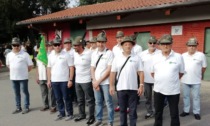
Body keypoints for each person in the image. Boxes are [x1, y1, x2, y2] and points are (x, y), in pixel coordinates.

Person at [151, 34, 185, 126]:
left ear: (171, 44)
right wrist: (162, 79)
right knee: (158, 113)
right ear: (160, 45)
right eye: (163, 44)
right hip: (158, 90)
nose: (165, 46)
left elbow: (181, 72)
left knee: (174, 114)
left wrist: (171, 79)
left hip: (173, 90)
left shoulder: (178, 56)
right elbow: (152, 72)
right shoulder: (155, 57)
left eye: (168, 43)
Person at [110, 36, 144, 126]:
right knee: (122, 110)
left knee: (132, 111)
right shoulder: (117, 58)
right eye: (125, 44)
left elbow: (141, 72)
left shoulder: (137, 58)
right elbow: (113, 73)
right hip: (121, 89)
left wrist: (141, 85)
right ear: (122, 46)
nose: (128, 46)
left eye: (129, 44)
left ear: (132, 46)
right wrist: (111, 85)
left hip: (133, 88)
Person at [47, 38, 74, 121]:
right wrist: (48, 80)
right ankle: (61, 113)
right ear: (53, 46)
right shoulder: (50, 55)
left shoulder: (66, 55)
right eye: (55, 45)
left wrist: (70, 80)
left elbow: (71, 67)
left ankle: (69, 113)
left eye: (59, 44)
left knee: (66, 98)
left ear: (61, 45)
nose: (57, 46)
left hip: (64, 80)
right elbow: (48, 68)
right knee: (58, 98)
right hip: (54, 81)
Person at [90, 31, 114, 126]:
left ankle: (110, 121)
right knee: (98, 102)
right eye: (99, 42)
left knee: (108, 103)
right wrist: (94, 81)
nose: (100, 44)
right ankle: (98, 119)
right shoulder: (94, 53)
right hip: (96, 82)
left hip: (106, 83)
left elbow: (109, 70)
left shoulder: (109, 53)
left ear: (105, 42)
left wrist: (98, 81)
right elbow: (92, 68)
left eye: (102, 42)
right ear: (96, 42)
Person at [180, 37, 207, 120]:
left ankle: (196, 112)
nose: (191, 47)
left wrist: (198, 74)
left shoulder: (201, 55)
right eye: (190, 45)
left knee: (196, 97)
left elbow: (204, 67)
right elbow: (180, 67)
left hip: (196, 81)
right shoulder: (183, 55)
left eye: (193, 46)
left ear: (196, 46)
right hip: (185, 80)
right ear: (187, 46)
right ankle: (186, 111)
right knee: (186, 96)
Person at [6, 37, 33, 114]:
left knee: (25, 92)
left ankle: (26, 107)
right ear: (12, 46)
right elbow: (8, 65)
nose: (16, 47)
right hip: (13, 78)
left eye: (17, 45)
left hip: (23, 77)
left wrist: (23, 71)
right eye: (14, 45)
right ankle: (18, 107)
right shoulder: (9, 55)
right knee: (16, 93)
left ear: (20, 45)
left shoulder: (25, 54)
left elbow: (30, 66)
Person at [73, 36, 95, 125]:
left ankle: (91, 117)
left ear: (81, 45)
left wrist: (93, 78)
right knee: (80, 100)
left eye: (76, 45)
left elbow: (93, 66)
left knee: (89, 100)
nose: (74, 47)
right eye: (74, 45)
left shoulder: (89, 53)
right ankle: (82, 114)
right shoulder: (75, 54)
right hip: (77, 81)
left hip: (87, 80)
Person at [139, 36, 160, 119]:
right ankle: (149, 111)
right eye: (150, 43)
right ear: (148, 43)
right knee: (148, 97)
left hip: (157, 79)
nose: (152, 44)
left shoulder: (160, 53)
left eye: (154, 43)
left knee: (157, 97)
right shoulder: (142, 54)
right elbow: (139, 67)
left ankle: (157, 112)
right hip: (146, 79)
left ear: (156, 44)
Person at [36, 42, 56, 113]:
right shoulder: (38, 56)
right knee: (43, 92)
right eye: (41, 47)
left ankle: (53, 106)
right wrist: (37, 76)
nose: (43, 48)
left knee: (51, 93)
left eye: (44, 47)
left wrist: (49, 78)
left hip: (48, 77)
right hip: (41, 77)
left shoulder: (49, 55)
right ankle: (45, 105)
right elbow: (37, 67)